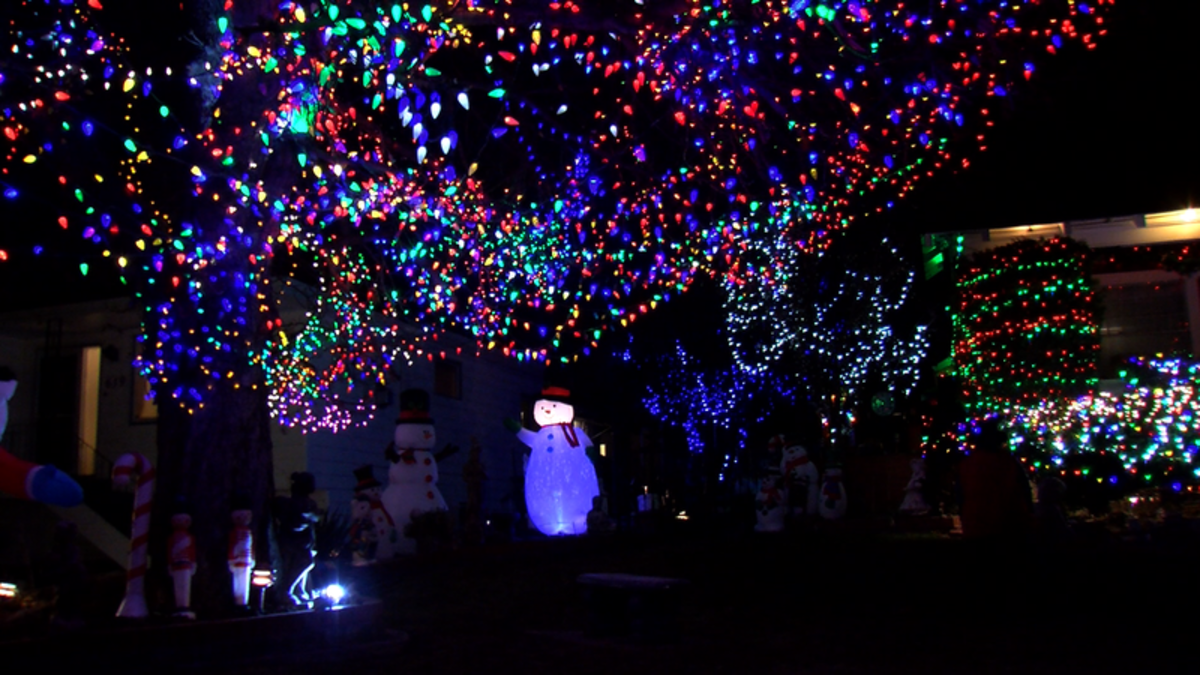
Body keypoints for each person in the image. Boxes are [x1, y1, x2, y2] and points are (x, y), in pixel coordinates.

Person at [957, 418, 1033, 540]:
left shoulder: (968, 463)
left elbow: (961, 495)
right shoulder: (1007, 462)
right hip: (1005, 527)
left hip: (976, 526)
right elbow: (1023, 491)